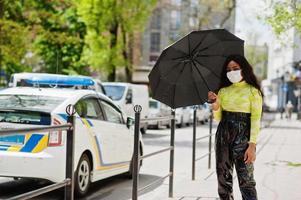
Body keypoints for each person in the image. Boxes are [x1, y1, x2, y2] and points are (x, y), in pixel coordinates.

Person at [208, 55, 263, 200]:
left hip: (244, 136)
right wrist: (215, 103)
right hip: (223, 133)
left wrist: (252, 145)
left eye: (235, 68)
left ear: (243, 69)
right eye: (228, 69)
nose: (232, 72)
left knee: (246, 180)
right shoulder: (223, 91)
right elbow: (218, 117)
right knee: (223, 178)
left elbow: (256, 119)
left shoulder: (253, 91)